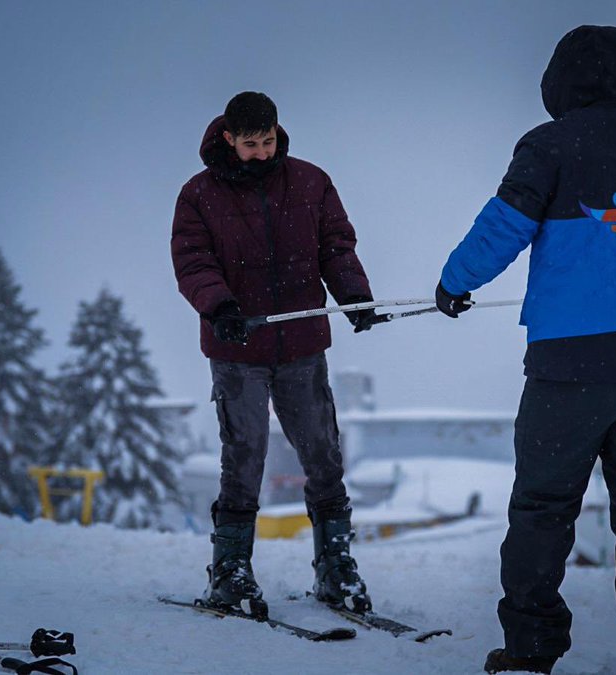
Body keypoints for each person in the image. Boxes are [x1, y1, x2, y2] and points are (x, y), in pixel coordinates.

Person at [435, 26, 616, 675]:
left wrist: (453, 283)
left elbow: (504, 225)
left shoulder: (550, 145)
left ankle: (531, 646)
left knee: (544, 502)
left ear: (560, 81)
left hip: (570, 362)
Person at [170, 91, 381, 618]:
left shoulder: (311, 182)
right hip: (237, 348)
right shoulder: (198, 195)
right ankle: (231, 573)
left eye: (267, 141)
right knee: (245, 458)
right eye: (250, 144)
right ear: (228, 139)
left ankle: (336, 567)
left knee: (322, 454)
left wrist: (353, 294)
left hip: (303, 345)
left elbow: (336, 245)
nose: (262, 152)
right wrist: (218, 305)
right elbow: (192, 261)